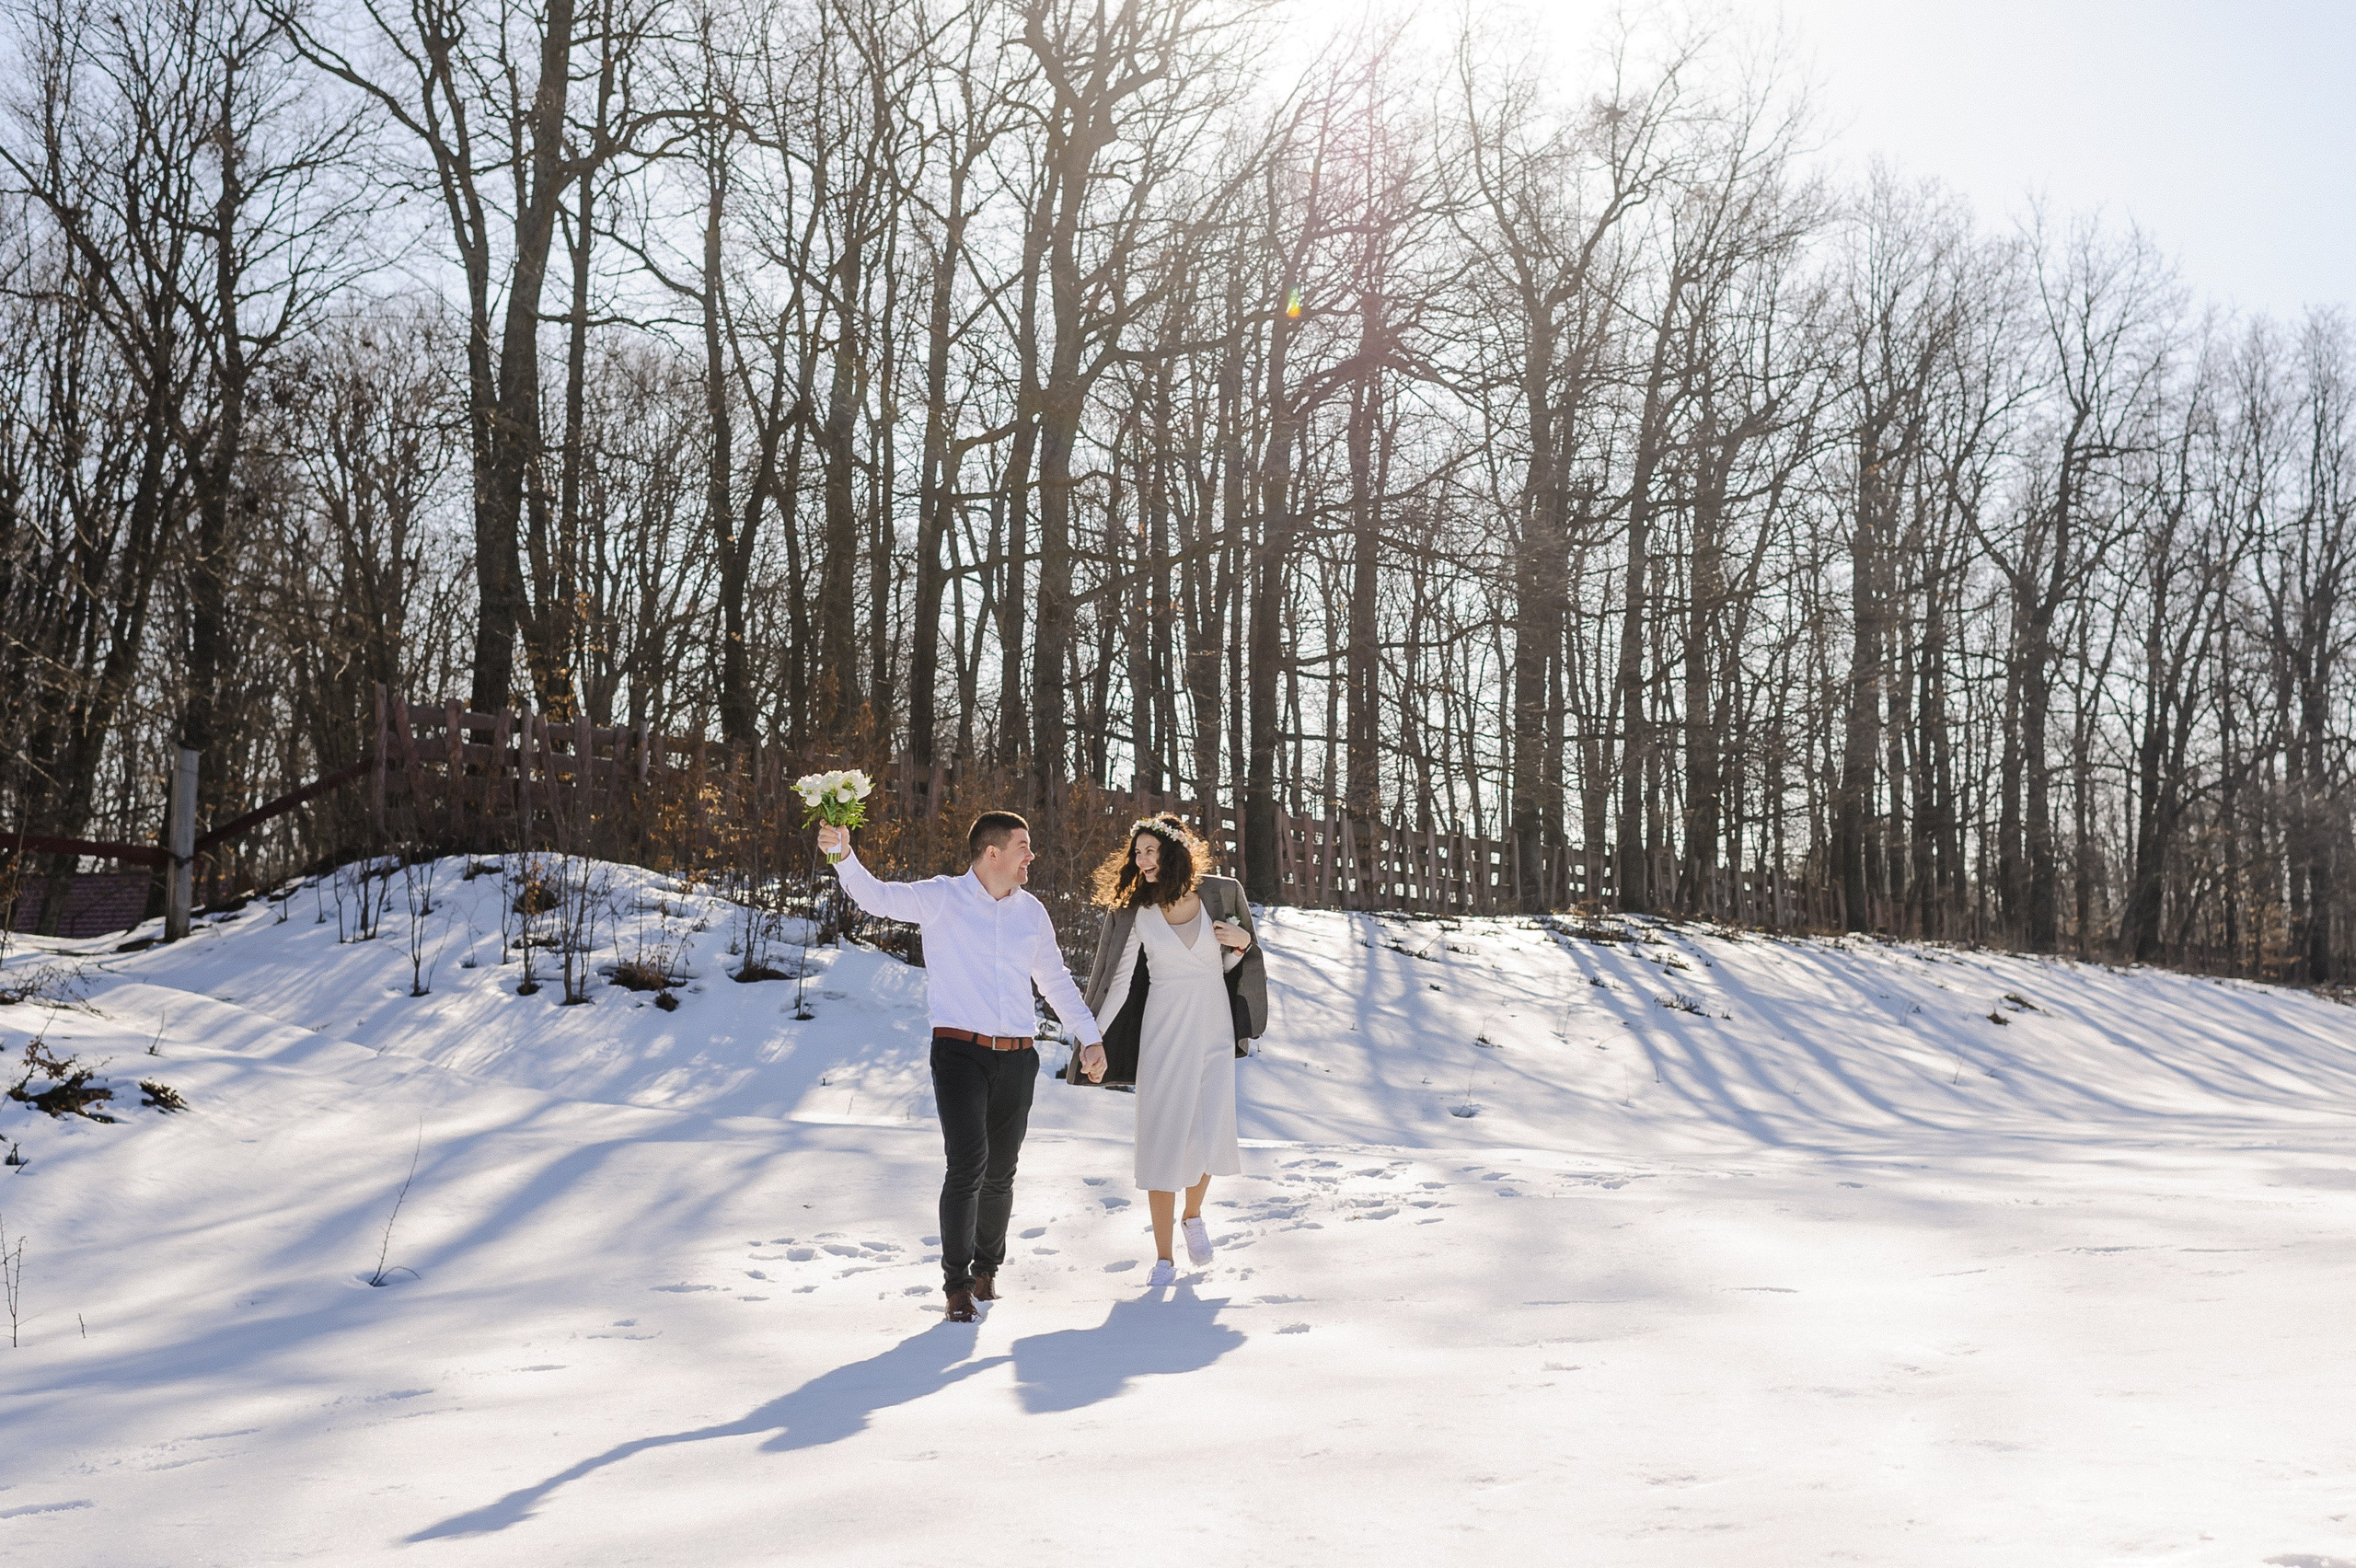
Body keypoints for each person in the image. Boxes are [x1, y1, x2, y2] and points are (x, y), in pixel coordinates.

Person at [820, 811, 1104, 1323]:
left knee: (1001, 1171)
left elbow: (1055, 980)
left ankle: (985, 1271)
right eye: (1023, 846)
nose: (1031, 856)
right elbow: (877, 896)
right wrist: (842, 854)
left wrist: (1090, 1036)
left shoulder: (1031, 912)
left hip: (1018, 1056)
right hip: (959, 1054)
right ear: (992, 853)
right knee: (968, 1162)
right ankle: (956, 1285)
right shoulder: (942, 897)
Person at [1083, 814, 1266, 1286]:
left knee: (1210, 1130)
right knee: (1162, 1139)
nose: (1142, 859)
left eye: (1150, 850)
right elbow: (1118, 983)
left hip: (1213, 1027)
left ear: (1174, 852)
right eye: (1137, 853)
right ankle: (1163, 1259)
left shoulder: (1216, 899)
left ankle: (1193, 1215)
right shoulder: (1137, 913)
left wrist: (1242, 945)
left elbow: (1225, 967)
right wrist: (1092, 1038)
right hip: (1164, 1031)